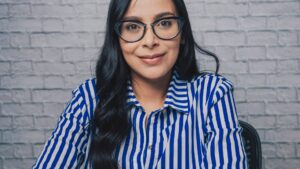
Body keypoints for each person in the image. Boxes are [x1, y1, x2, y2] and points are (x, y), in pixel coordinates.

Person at [32, 0, 247, 168]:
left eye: (164, 23)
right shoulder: (89, 96)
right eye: (133, 27)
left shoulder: (212, 94)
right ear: (118, 39)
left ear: (182, 33)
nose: (150, 41)